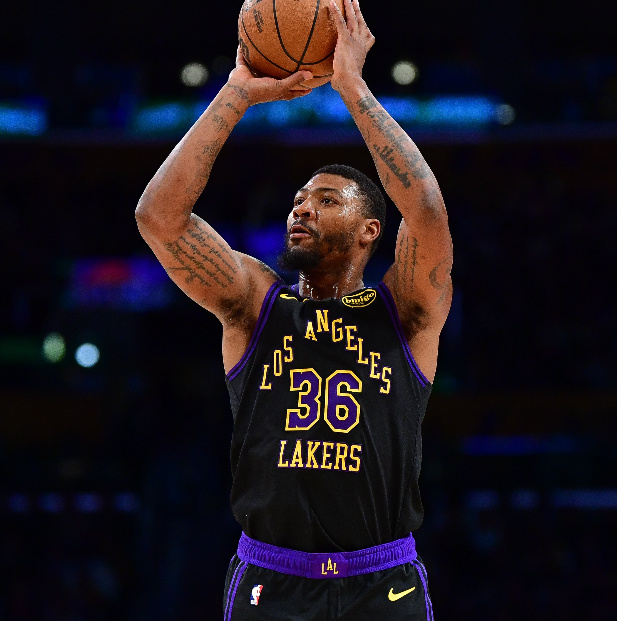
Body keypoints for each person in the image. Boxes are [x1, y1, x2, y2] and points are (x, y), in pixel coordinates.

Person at [135, 0, 452, 618]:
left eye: (327, 200)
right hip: (272, 580)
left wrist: (352, 87)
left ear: (369, 231)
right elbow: (158, 219)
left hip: (382, 580)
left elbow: (427, 213)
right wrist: (236, 94)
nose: (302, 207)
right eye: (300, 198)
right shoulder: (255, 304)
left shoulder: (405, 311)